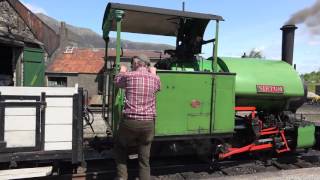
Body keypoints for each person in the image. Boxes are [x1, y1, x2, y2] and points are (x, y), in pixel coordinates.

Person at [113, 54, 161, 180]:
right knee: (144, 158)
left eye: (132, 64)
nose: (131, 65)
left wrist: (122, 71)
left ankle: (122, 177)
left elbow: (117, 83)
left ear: (137, 64)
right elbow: (158, 87)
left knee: (120, 146)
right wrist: (154, 73)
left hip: (130, 122)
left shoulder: (129, 76)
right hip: (148, 123)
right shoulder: (155, 79)